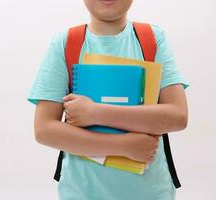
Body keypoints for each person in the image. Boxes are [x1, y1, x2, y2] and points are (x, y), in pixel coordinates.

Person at [27, 0, 189, 199]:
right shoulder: (65, 43)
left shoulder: (153, 39)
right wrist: (123, 146)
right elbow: (44, 130)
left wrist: (96, 112)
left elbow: (177, 116)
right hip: (81, 193)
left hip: (150, 193)